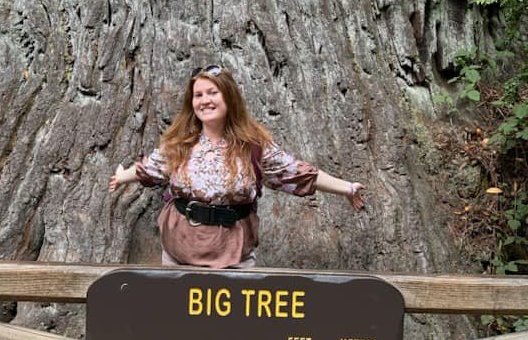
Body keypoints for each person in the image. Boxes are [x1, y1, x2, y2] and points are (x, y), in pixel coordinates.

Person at [109, 65, 365, 268]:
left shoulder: (254, 147)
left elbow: (297, 174)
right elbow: (151, 168)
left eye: (212, 93)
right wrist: (123, 177)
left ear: (229, 97)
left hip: (233, 255)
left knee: (232, 331)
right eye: (198, 95)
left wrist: (347, 188)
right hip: (180, 251)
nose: (204, 100)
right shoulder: (180, 143)